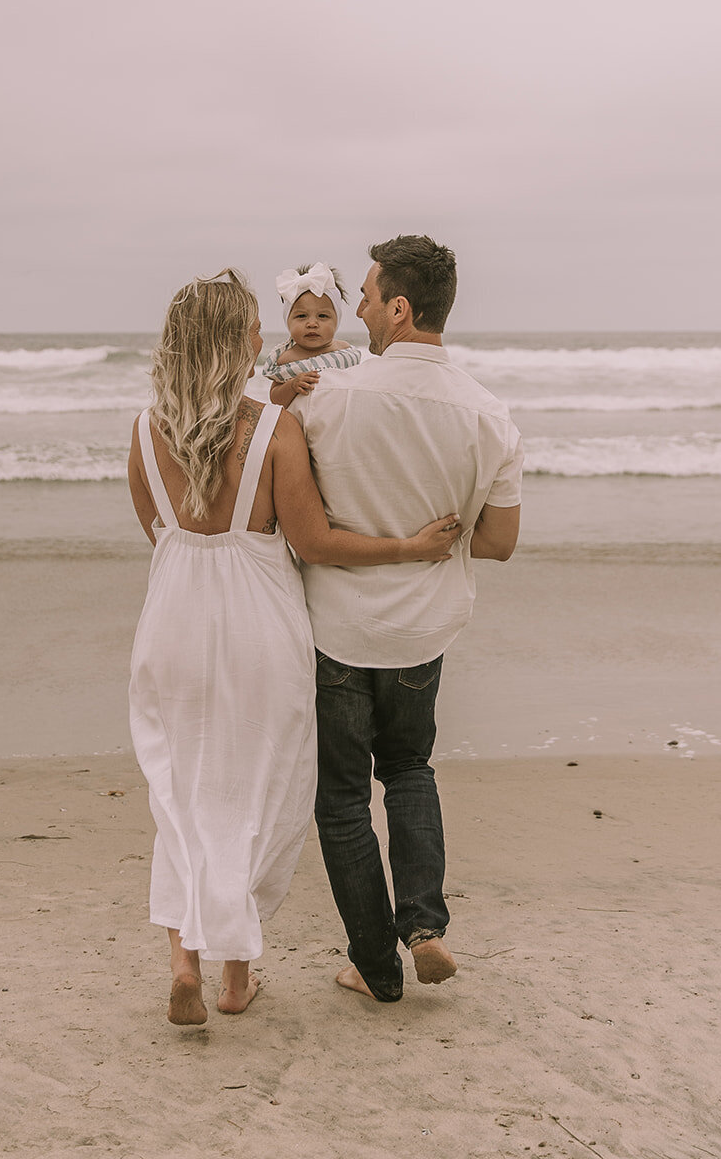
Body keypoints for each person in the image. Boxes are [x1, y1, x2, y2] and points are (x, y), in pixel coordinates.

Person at [127, 269, 462, 1026]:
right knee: (259, 797)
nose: (260, 337)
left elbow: (157, 529)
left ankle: (184, 958)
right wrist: (409, 547)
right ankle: (237, 980)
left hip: (173, 621)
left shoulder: (146, 428)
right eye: (250, 327)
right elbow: (313, 542)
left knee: (179, 792)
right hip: (258, 627)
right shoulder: (272, 426)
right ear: (231, 339)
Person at [289, 235, 523, 1003]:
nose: (353, 309)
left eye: (362, 295)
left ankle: (374, 966)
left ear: (397, 306)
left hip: (337, 628)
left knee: (343, 799)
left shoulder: (326, 398)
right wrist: (435, 539)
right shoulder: (489, 415)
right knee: (411, 770)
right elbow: (496, 543)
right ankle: (423, 926)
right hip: (423, 631)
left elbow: (294, 518)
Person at [263, 261, 363, 407]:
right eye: (301, 316)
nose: (312, 324)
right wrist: (292, 386)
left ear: (337, 320)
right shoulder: (286, 358)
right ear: (288, 320)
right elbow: (275, 398)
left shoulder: (344, 350)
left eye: (322, 316)